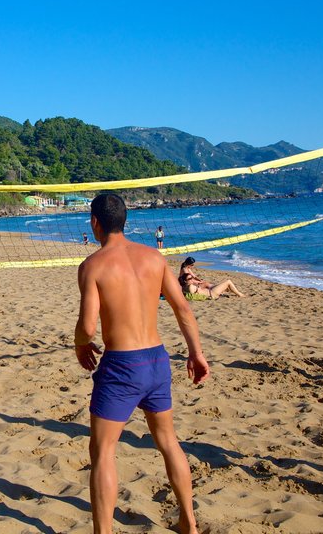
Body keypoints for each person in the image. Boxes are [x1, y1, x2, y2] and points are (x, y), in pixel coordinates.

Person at [75, 193, 209, 534]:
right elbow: (183, 309)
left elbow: (89, 327)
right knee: (168, 441)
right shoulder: (154, 257)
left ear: (95, 223)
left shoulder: (93, 265)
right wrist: (196, 353)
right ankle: (189, 524)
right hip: (157, 359)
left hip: (122, 364)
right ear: (126, 221)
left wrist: (80, 344)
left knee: (103, 451)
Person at [178, 257, 245, 299]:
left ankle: (228, 290)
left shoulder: (187, 270)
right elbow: (191, 280)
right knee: (228, 282)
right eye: (192, 264)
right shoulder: (185, 272)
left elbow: (193, 277)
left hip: (208, 292)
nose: (193, 266)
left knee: (207, 284)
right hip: (211, 293)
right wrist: (198, 282)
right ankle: (240, 294)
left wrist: (199, 280)